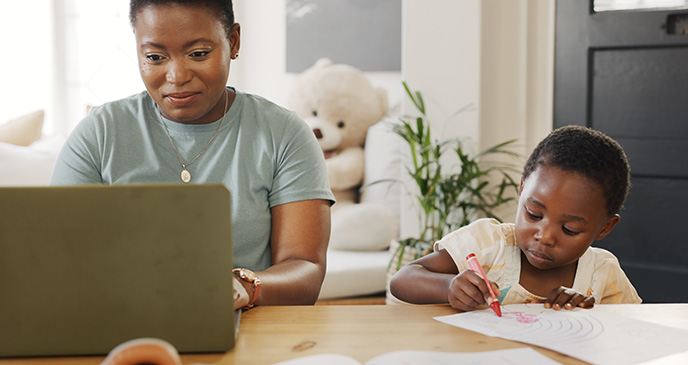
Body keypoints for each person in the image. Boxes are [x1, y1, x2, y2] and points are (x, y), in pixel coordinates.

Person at [50, 0, 335, 309]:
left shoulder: (283, 132)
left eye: (198, 54)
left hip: (247, 326)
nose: (176, 76)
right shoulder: (100, 132)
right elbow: (57, 256)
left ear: (233, 42)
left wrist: (244, 287)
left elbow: (305, 269)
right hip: (119, 320)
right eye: (155, 57)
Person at [389, 125, 641, 311]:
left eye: (569, 228)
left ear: (604, 228)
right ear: (522, 190)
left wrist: (592, 313)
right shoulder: (487, 244)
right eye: (533, 214)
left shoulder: (603, 274)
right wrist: (448, 286)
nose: (545, 235)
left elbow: (634, 329)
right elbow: (403, 279)